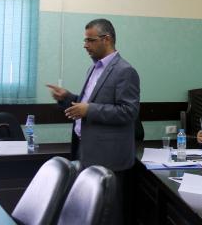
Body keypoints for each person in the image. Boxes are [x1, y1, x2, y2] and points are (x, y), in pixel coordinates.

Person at [47, 19, 140, 224]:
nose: (85, 45)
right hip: (86, 150)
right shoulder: (93, 69)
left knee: (107, 216)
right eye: (85, 40)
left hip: (109, 157)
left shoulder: (125, 71)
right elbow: (87, 103)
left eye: (90, 40)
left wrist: (89, 109)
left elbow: (129, 112)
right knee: (88, 214)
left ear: (106, 39)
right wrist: (67, 97)